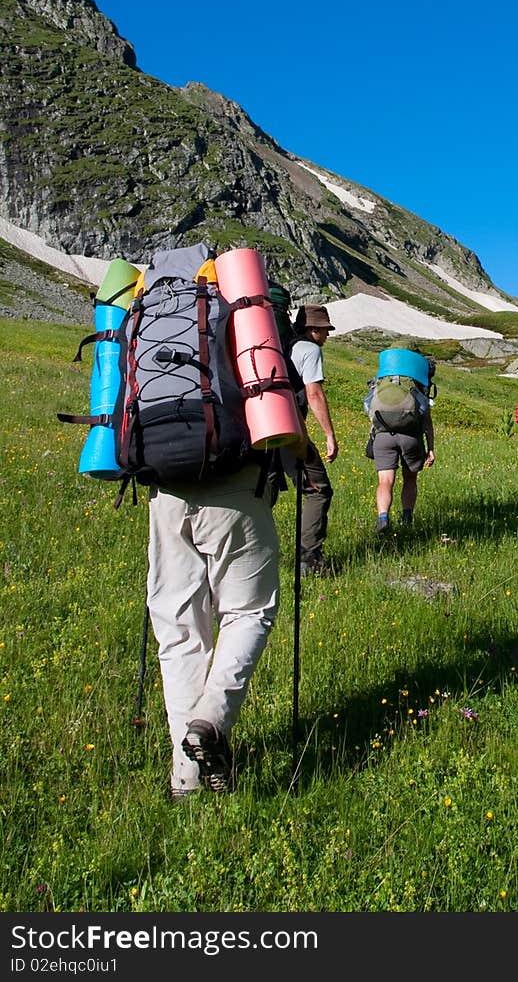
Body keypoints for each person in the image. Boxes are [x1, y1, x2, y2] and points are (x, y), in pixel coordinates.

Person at [148, 462, 281, 801]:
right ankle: (210, 722)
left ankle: (185, 777)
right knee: (248, 612)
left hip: (167, 491)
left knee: (179, 636)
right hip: (237, 486)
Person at [287, 303, 339, 576]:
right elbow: (314, 393)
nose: (327, 335)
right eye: (325, 330)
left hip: (260, 427)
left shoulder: (284, 346)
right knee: (318, 490)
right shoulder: (310, 350)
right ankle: (309, 559)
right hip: (288, 430)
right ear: (313, 329)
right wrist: (329, 435)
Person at [372, 379, 435, 534]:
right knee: (410, 479)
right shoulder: (415, 390)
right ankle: (407, 518)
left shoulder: (381, 386)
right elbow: (427, 423)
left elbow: (369, 410)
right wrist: (431, 448)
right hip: (410, 438)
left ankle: (383, 518)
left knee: (385, 481)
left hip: (383, 438)